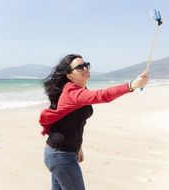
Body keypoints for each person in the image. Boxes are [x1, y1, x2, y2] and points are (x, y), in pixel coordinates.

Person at [39, 54, 149, 190]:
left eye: (86, 65)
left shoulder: (80, 90)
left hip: (63, 152)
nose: (85, 68)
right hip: (60, 155)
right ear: (69, 76)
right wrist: (131, 85)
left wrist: (78, 147)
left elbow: (75, 122)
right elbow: (102, 95)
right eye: (80, 67)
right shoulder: (71, 92)